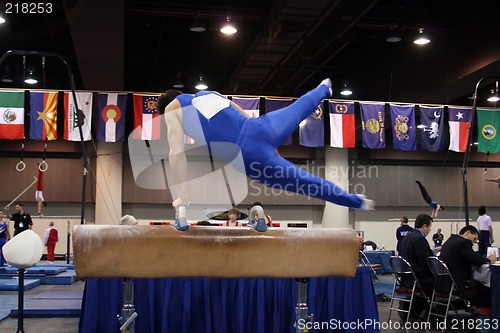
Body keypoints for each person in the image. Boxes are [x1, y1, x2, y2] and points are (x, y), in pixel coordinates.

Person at [158, 79, 374, 231]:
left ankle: (356, 201)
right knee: (297, 109)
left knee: (305, 183)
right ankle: (322, 89)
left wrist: (182, 195)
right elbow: (239, 111)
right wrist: (267, 143)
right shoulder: (209, 94)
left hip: (247, 156)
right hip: (260, 127)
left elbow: (176, 153)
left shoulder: (171, 109)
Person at [439, 225, 496, 306]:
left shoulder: (450, 241)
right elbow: (475, 260)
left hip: (445, 281)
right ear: (468, 232)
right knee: (488, 286)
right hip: (458, 281)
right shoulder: (463, 242)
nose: (473, 243)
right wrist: (489, 260)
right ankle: (482, 312)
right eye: (474, 239)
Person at [399, 214, 435, 318]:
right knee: (441, 282)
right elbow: (426, 262)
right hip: (418, 279)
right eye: (430, 227)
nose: (430, 230)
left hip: (407, 278)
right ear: (424, 226)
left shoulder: (407, 238)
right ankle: (434, 312)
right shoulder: (420, 239)